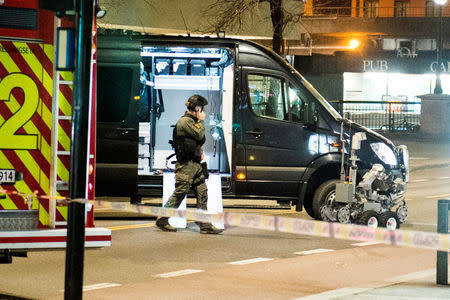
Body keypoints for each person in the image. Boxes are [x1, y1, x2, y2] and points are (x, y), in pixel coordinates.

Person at [156, 95, 223, 234]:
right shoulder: (185, 121)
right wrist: (201, 121)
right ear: (197, 108)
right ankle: (163, 218)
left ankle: (205, 225)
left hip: (195, 164)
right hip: (186, 165)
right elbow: (199, 135)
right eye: (202, 109)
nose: (203, 111)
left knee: (202, 192)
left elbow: (201, 139)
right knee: (180, 192)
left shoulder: (192, 121)